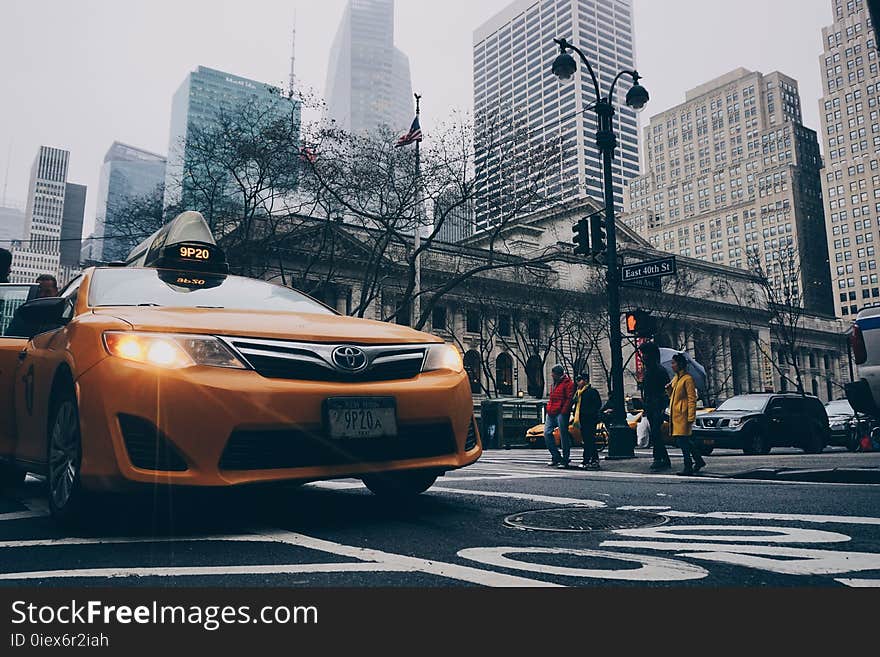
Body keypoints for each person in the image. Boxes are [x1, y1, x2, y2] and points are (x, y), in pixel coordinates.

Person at [667, 352, 703, 476]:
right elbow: (673, 397)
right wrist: (669, 389)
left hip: (683, 415)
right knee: (684, 441)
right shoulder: (676, 378)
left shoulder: (687, 379)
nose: (672, 366)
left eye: (674, 363)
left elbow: (692, 398)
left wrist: (691, 416)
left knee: (683, 441)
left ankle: (688, 465)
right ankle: (698, 461)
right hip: (676, 415)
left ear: (680, 364)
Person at [640, 341, 672, 471]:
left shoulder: (658, 370)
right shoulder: (649, 370)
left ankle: (660, 458)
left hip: (656, 406)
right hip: (651, 406)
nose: (642, 357)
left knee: (655, 433)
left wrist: (661, 407)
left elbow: (665, 391)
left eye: (645, 354)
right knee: (654, 433)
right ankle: (661, 458)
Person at [544, 364, 575, 468]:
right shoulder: (554, 384)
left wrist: (563, 411)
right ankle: (556, 456)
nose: (552, 376)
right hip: (552, 411)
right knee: (547, 433)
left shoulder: (568, 383)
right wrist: (549, 408)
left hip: (561, 412)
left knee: (563, 435)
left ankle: (565, 459)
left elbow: (569, 399)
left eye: (553, 374)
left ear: (558, 374)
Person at [572, 373, 602, 470]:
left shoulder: (591, 392)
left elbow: (598, 404)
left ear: (585, 380)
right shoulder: (578, 393)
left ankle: (588, 460)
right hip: (582, 419)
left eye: (579, 380)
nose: (578, 382)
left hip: (589, 419)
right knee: (587, 440)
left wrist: (590, 413)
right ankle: (592, 459)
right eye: (577, 380)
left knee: (589, 440)